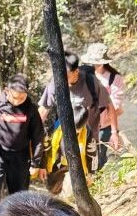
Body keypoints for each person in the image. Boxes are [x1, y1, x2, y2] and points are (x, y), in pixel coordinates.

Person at [38, 50, 100, 195]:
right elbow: (43, 111)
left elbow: (104, 107)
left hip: (87, 134)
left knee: (84, 178)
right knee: (55, 182)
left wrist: (92, 173)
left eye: (66, 75)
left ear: (76, 71)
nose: (62, 79)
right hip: (61, 136)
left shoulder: (90, 83)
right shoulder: (55, 84)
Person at [0, 74, 46, 204]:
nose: (17, 101)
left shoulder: (31, 110)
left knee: (19, 193)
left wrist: (36, 163)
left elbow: (38, 137)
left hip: (20, 155)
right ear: (7, 90)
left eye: (21, 98)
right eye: (14, 97)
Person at [82, 42, 125, 170]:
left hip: (104, 125)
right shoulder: (84, 75)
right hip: (86, 124)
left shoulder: (114, 78)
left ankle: (96, 180)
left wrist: (114, 131)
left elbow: (115, 104)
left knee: (99, 155)